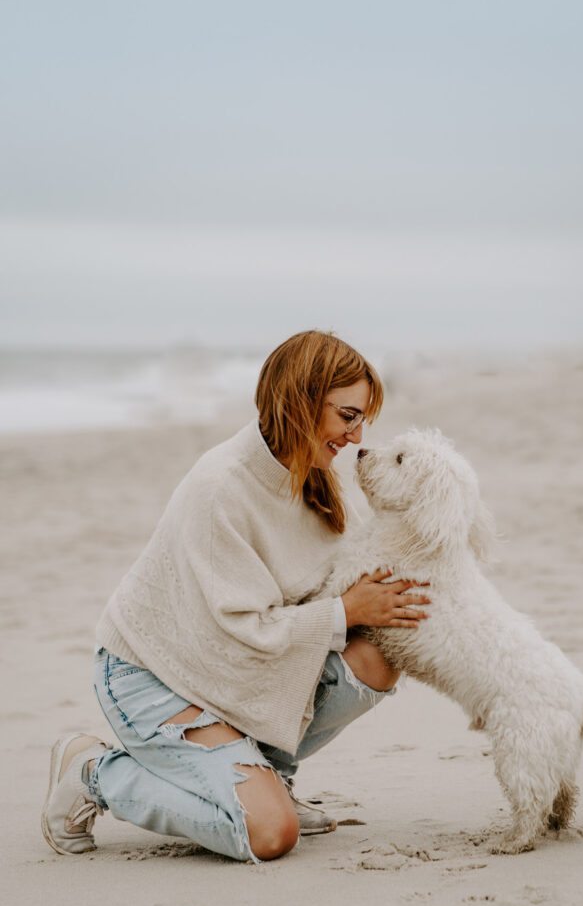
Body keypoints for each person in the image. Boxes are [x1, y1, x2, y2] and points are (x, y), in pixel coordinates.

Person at [41, 330, 431, 863]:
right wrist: (346, 610)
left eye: (363, 418)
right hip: (154, 678)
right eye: (347, 415)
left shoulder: (318, 480)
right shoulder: (221, 486)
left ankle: (270, 777)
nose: (358, 434)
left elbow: (348, 580)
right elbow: (245, 628)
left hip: (227, 670)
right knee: (271, 834)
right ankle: (93, 772)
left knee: (379, 654)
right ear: (299, 400)